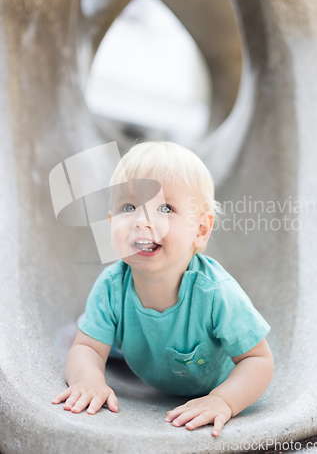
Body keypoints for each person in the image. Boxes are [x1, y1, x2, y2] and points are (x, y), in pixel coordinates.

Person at [52, 141, 274, 437]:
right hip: (142, 350)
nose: (143, 221)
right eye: (128, 207)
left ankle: (100, 332)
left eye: (166, 208)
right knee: (90, 339)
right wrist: (88, 379)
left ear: (201, 230)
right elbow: (87, 349)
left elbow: (257, 360)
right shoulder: (111, 286)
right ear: (110, 223)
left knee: (126, 340)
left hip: (203, 374)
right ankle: (89, 327)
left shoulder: (217, 294)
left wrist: (223, 400)